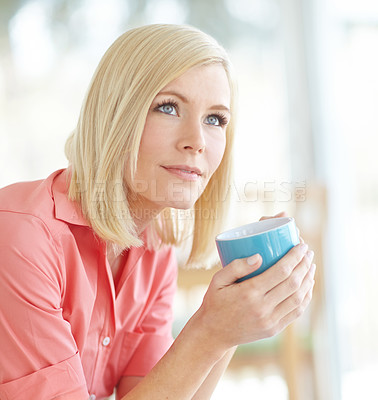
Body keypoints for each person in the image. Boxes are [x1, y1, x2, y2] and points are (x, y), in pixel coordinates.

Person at [0, 24, 315, 400]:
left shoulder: (155, 252)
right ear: (115, 115)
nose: (196, 142)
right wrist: (210, 331)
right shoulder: (21, 237)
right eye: (168, 107)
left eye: (215, 119)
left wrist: (234, 324)